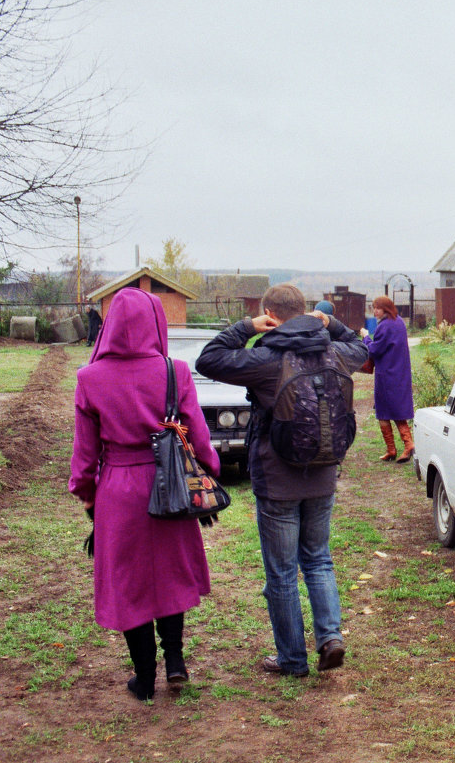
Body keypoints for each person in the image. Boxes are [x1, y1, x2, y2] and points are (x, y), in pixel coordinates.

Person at [195, 284, 367, 677]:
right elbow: (363, 346)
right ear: (307, 311)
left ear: (269, 314)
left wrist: (246, 326)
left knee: (283, 572)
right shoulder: (336, 352)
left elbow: (209, 359)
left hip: (277, 479)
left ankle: (292, 658)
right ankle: (330, 637)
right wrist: (332, 322)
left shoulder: (266, 358)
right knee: (319, 559)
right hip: (323, 472)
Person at [69, 288, 219, 701]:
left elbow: (84, 454)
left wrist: (86, 495)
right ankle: (175, 662)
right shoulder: (175, 371)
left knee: (129, 581)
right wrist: (209, 474)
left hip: (117, 491)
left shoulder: (89, 378)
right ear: (156, 322)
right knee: (169, 573)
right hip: (170, 484)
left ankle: (144, 676)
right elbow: (199, 438)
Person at [359, 296, 415, 463]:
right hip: (400, 372)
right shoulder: (398, 322)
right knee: (396, 409)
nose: (375, 311)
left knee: (384, 411)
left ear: (386, 308)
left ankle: (400, 446)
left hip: (387, 374)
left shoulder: (385, 325)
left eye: (378, 308)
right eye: (374, 308)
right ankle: (400, 447)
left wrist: (366, 337)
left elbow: (374, 350)